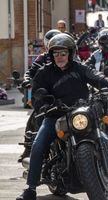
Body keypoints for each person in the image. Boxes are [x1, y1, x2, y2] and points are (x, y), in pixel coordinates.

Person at [16, 33, 108, 200]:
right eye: (56, 53)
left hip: (80, 113)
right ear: (51, 55)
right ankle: (30, 188)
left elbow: (95, 76)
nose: (59, 57)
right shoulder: (44, 73)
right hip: (55, 116)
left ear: (70, 53)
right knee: (39, 145)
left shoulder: (79, 68)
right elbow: (37, 94)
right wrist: (43, 104)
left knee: (103, 140)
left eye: (63, 53)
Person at [18, 29, 61, 162]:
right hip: (46, 96)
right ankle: (29, 149)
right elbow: (31, 71)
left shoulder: (69, 57)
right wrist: (26, 79)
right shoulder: (42, 58)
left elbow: (82, 70)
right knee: (35, 120)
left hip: (66, 96)